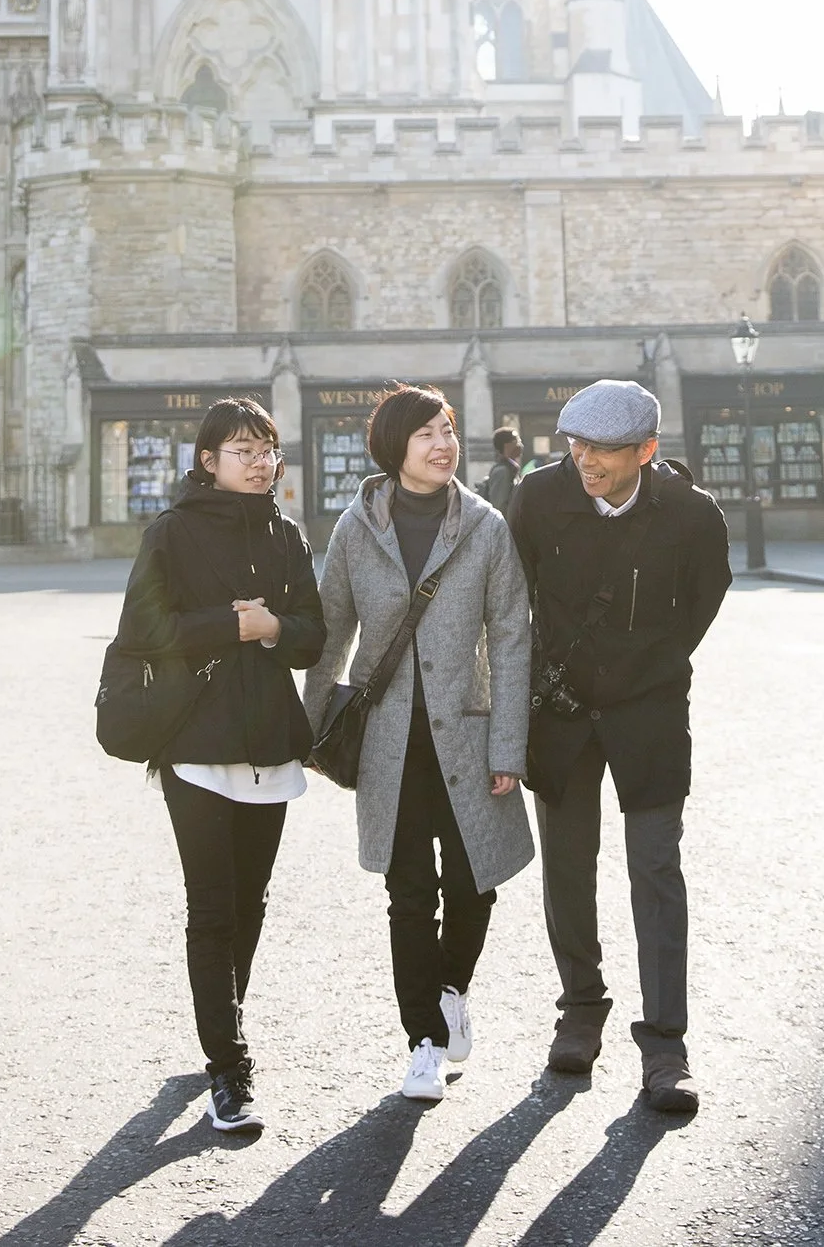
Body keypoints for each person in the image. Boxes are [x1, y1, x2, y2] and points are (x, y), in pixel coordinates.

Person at [508, 379, 731, 1118]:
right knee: (567, 868)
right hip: (561, 714)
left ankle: (665, 1045)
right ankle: (579, 1010)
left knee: (656, 870)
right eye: (575, 443)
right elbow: (513, 601)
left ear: (646, 450)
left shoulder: (694, 517)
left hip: (650, 715)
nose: (584, 460)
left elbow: (700, 605)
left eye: (602, 448)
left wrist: (645, 669)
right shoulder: (537, 500)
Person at [305, 384, 533, 1105]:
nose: (442, 444)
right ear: (393, 447)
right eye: (426, 433)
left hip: (465, 733)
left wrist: (507, 747)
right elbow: (329, 632)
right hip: (387, 741)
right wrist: (309, 731)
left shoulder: (486, 526)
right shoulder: (355, 528)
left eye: (448, 430)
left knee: (474, 882)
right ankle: (424, 1043)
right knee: (409, 893)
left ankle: (450, 988)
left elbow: (511, 638)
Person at [113, 397, 325, 1134]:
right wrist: (227, 625)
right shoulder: (170, 532)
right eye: (243, 449)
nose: (260, 461)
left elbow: (311, 638)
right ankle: (229, 1067)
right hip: (194, 742)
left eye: (267, 449)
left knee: (251, 902)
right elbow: (141, 629)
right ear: (208, 460)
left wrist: (273, 629)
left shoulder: (287, 532)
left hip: (267, 738)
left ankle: (221, 1022)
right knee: (211, 908)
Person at [479, 427, 522, 513]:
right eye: (517, 442)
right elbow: (499, 507)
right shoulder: (502, 471)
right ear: (507, 445)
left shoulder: (511, 469)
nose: (520, 445)